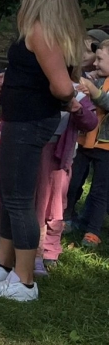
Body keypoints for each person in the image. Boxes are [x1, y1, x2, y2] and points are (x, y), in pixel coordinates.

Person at [0, 0, 84, 301]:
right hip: (19, 119)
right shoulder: (34, 21)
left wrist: (51, 93)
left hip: (31, 122)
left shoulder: (43, 29)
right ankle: (2, 265)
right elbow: (32, 70)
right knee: (9, 194)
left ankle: (25, 281)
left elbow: (62, 87)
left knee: (19, 200)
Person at [67, 36, 109, 246]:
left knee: (100, 190)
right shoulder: (95, 78)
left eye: (100, 59)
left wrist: (93, 91)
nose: (95, 63)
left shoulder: (96, 84)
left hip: (106, 146)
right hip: (85, 141)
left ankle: (93, 230)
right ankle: (66, 217)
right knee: (73, 181)